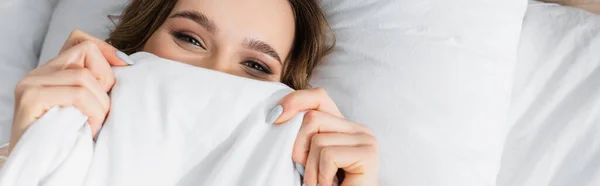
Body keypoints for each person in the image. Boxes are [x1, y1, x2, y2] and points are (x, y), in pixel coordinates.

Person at [7, 0, 379, 185]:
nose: (214, 75)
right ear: (136, 42)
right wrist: (26, 153)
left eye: (255, 67)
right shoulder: (52, 146)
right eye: (189, 39)